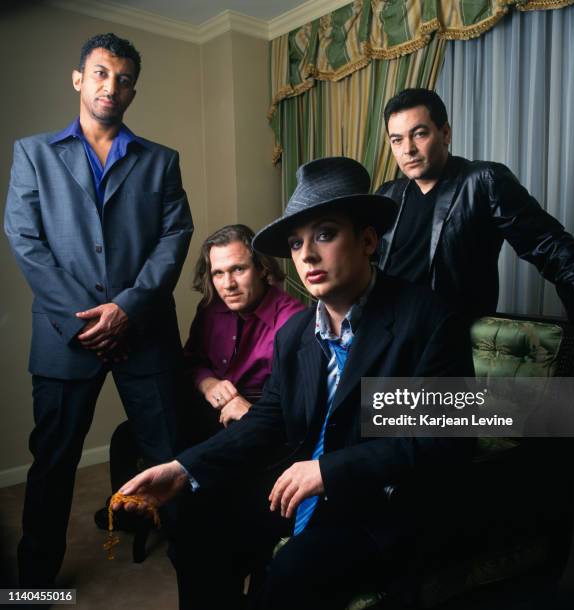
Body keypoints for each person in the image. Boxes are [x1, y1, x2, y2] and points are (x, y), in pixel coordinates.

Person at [113, 157, 475, 610]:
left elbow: (444, 442)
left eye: (325, 234)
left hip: (381, 504)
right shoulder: (297, 334)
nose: (306, 255)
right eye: (296, 242)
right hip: (302, 491)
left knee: (288, 575)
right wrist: (184, 469)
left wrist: (327, 471)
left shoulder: (429, 319)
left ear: (366, 240)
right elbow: (268, 421)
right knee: (195, 527)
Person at [4, 33, 193, 587]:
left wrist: (128, 309)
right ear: (79, 78)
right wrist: (94, 316)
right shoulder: (33, 153)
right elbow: (24, 238)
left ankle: (199, 573)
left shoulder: (161, 161)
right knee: (52, 465)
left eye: (125, 78)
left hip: (147, 332)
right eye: (102, 73)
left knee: (170, 455)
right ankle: (35, 583)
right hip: (67, 337)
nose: (113, 86)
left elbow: (175, 236)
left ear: (134, 89)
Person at [377, 88, 574, 347]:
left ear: (445, 133)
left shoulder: (483, 181)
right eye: (397, 140)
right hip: (384, 333)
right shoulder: (388, 195)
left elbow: (548, 244)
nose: (407, 149)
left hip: (440, 339)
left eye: (419, 134)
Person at [184, 224, 304, 435]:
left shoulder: (293, 320)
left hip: (261, 419)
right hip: (210, 408)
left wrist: (252, 413)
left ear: (262, 268)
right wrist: (209, 384)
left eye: (238, 269)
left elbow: (301, 404)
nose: (228, 284)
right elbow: (191, 361)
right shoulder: (210, 308)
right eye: (218, 273)